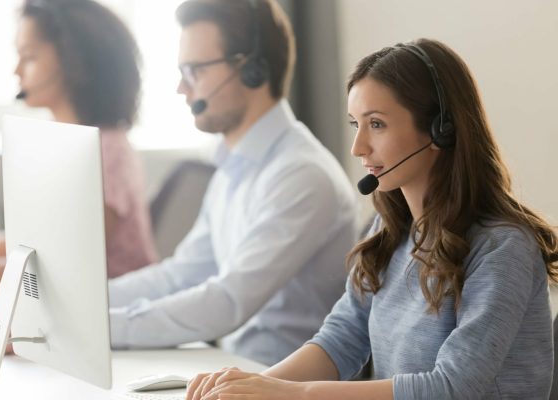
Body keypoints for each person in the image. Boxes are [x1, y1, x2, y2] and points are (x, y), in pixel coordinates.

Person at [185, 38, 558, 399]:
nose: (358, 147)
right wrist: (249, 389)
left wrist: (292, 394)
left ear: (439, 130)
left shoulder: (503, 248)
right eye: (355, 124)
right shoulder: (390, 232)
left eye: (376, 124)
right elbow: (342, 339)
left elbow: (452, 388)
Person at [108, 0, 358, 366]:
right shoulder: (232, 167)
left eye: (194, 71)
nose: (182, 88)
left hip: (279, 382)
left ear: (252, 70)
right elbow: (180, 275)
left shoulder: (303, 175)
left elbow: (228, 301)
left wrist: (105, 328)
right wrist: (80, 305)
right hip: (234, 371)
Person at [0, 0, 158, 303]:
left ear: (73, 62)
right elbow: (27, 242)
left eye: (29, 57)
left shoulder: (106, 152)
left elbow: (61, 267)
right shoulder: (61, 145)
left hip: (114, 315)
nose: (16, 70)